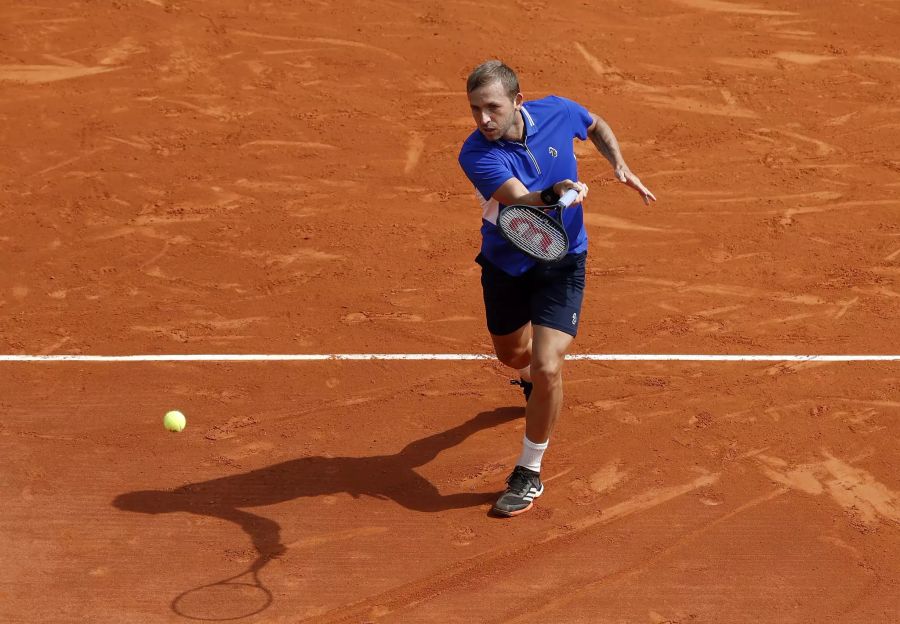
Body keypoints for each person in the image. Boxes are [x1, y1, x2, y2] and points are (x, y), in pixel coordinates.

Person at [458, 60, 656, 517]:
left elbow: (596, 123)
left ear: (518, 102)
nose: (483, 119)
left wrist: (618, 163)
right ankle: (528, 381)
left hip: (563, 261)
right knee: (514, 357)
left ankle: (529, 470)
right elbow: (522, 200)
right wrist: (556, 193)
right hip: (507, 264)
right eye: (475, 109)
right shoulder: (476, 154)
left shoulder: (559, 112)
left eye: (492, 107)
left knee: (548, 366)